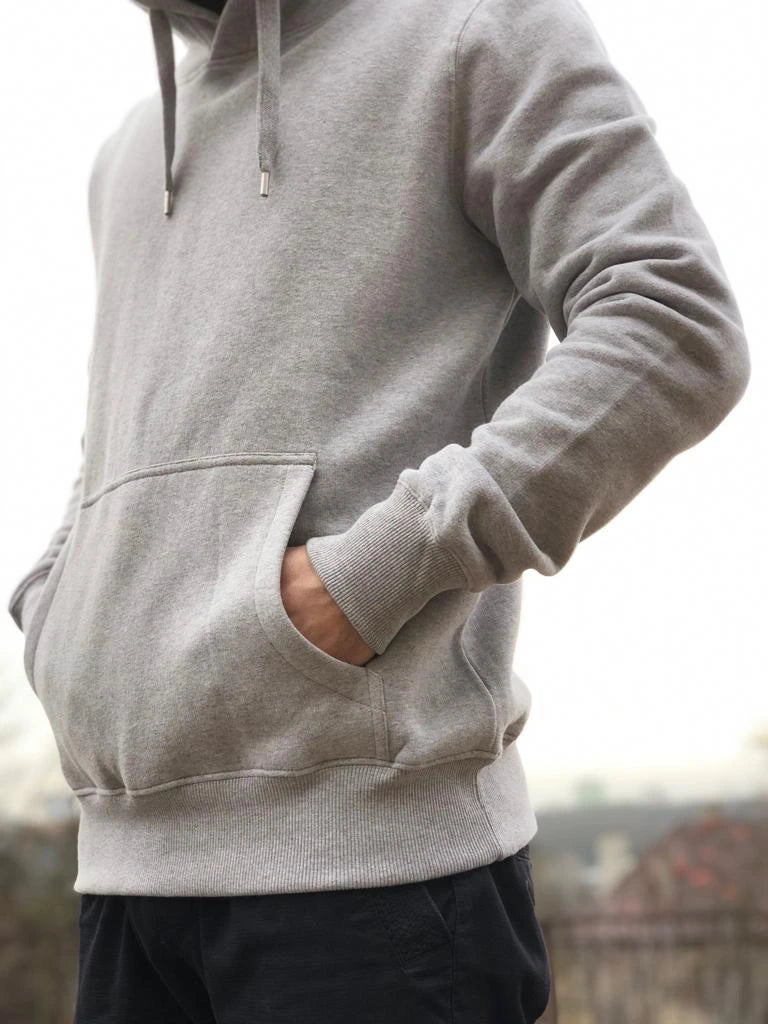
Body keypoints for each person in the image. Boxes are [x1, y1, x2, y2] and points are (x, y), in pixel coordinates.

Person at [7, 0, 750, 1019]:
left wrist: (372, 576)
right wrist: (58, 605)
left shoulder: (475, 31)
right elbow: (119, 442)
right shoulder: (128, 155)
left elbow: (674, 318)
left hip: (373, 884)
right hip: (123, 874)